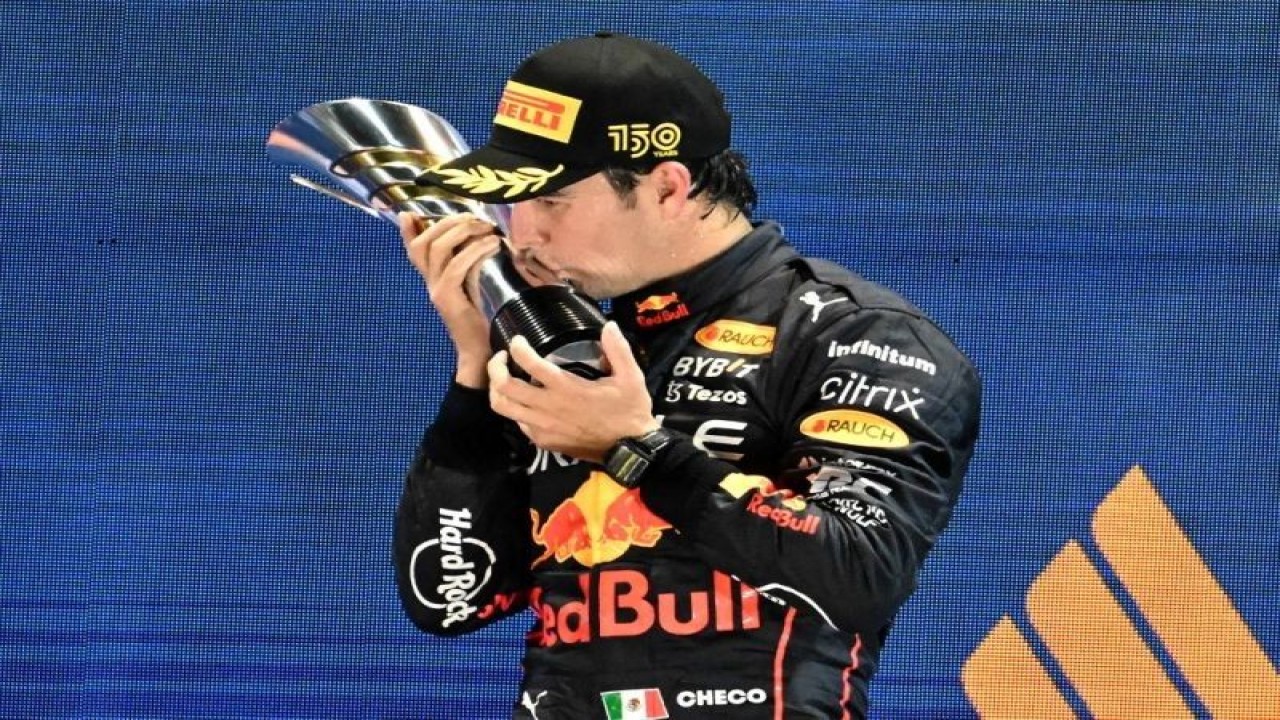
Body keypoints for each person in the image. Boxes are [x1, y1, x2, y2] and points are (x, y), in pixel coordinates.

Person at [393, 31, 981, 720]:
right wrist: (474, 375)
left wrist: (634, 448)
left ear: (668, 187)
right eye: (513, 202)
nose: (523, 235)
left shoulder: (855, 337)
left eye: (551, 201)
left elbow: (861, 573)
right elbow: (451, 602)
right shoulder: (575, 343)